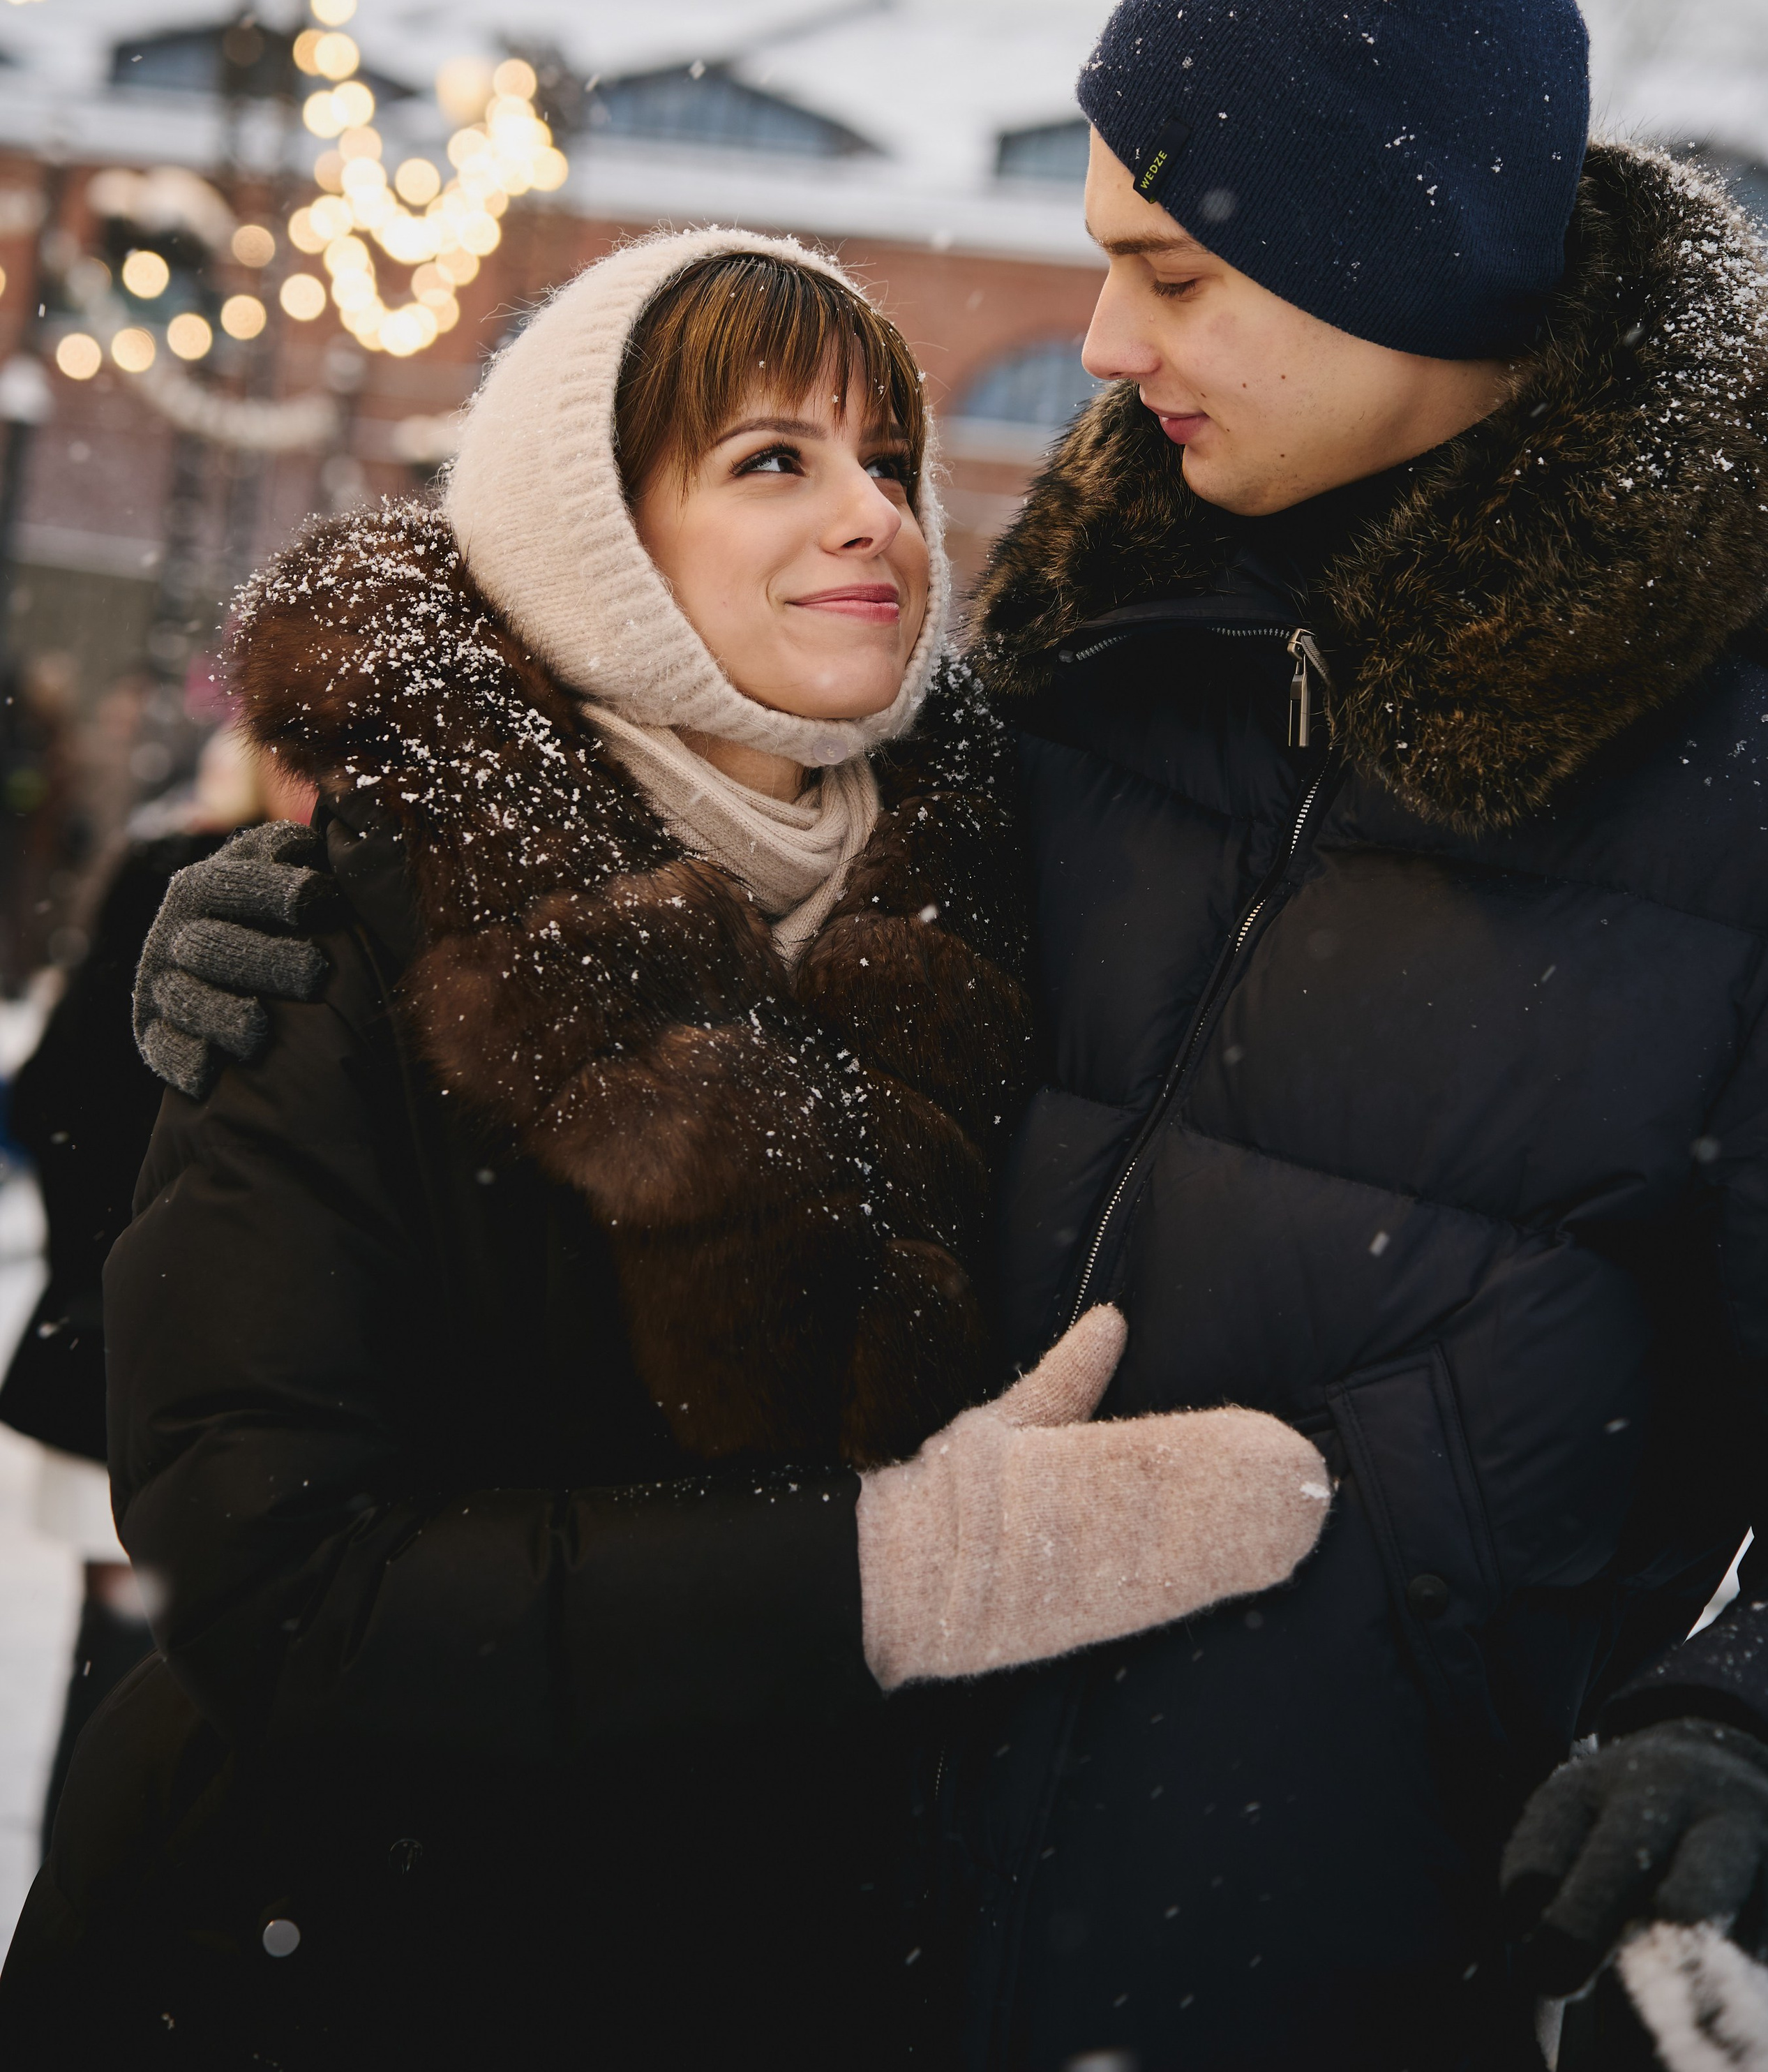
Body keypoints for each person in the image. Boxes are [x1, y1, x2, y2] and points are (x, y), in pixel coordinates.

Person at [1, 230, 1328, 2070]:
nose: (873, 517)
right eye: (772, 458)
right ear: (594, 533)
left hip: (774, 1972)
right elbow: (279, 1586)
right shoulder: (350, 946)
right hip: (325, 1965)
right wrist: (894, 1569)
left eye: (890, 461)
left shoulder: (1011, 913)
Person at [950, 0, 1768, 2069]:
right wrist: (357, 923)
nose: (1104, 347)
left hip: (1355, 1965)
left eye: (1174, 274)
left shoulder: (1743, 785)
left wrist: (1744, 1722)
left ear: (1401, 259)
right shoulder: (1079, 667)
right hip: (865, 1902)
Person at [0, 724, 313, 1847]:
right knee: (149, 1676)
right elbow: (63, 1101)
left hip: (159, 1343)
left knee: (146, 1673)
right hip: (157, 1344)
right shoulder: (193, 878)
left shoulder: (196, 871)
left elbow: (55, 1100)